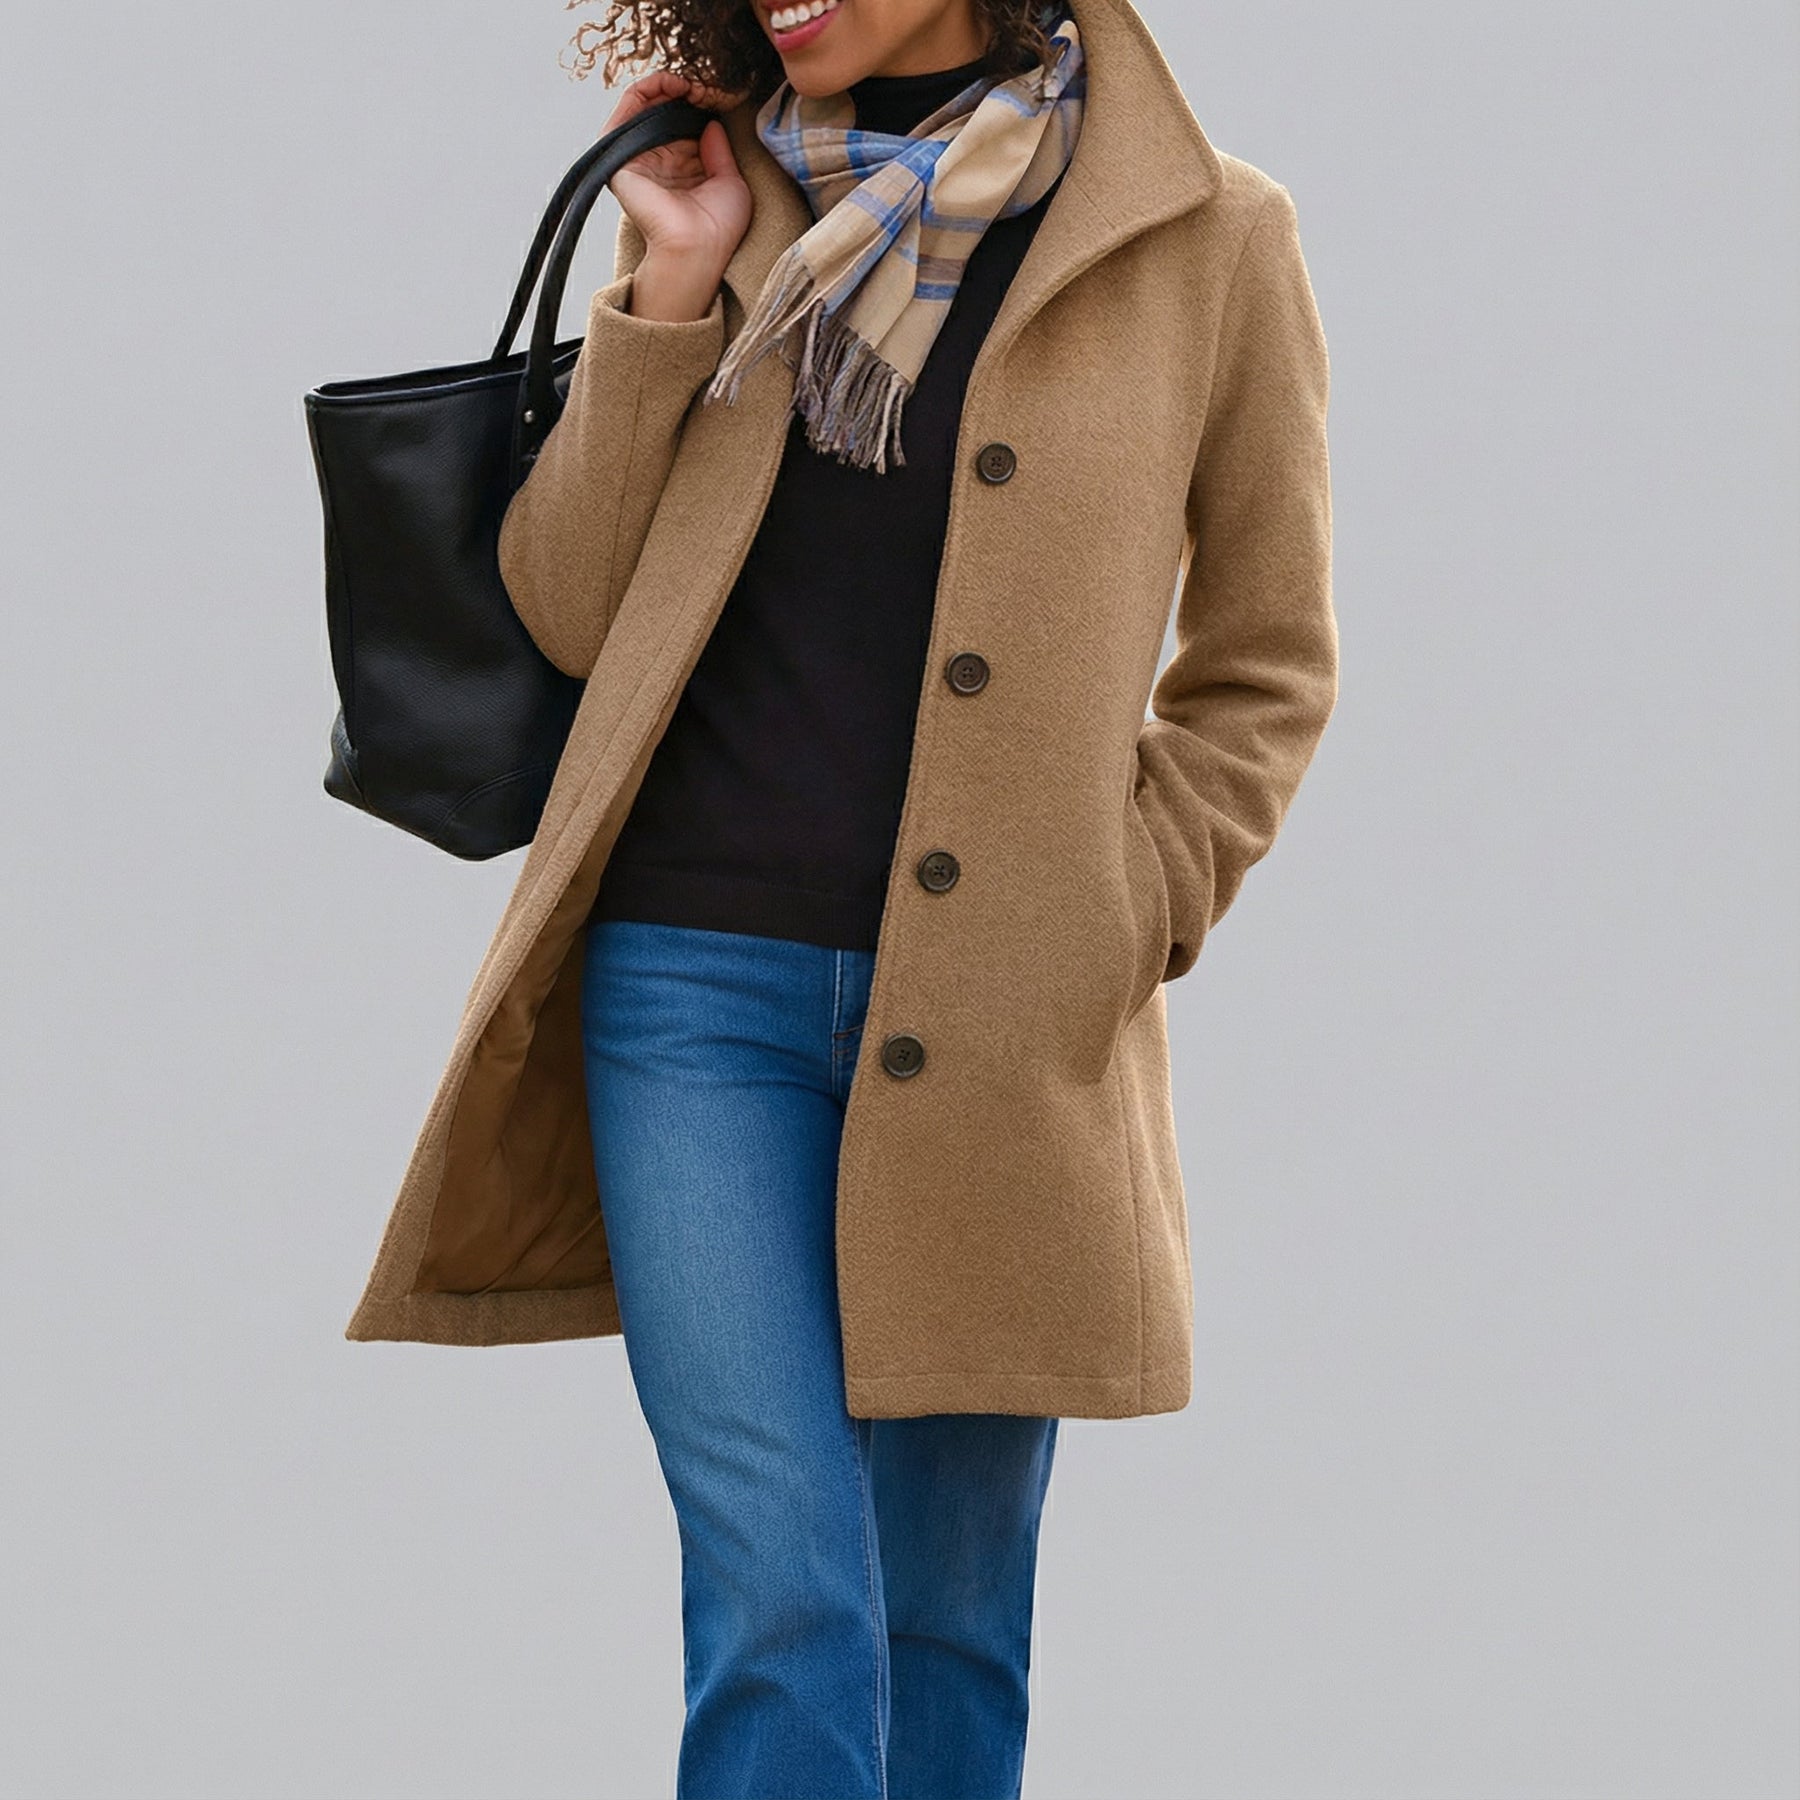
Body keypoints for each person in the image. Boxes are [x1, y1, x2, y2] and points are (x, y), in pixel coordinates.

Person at [344, 2, 1337, 1796]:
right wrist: (668, 286)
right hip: (691, 997)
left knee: (947, 1619)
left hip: (1004, 1028)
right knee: (783, 1597)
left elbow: (1268, 661)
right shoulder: (732, 204)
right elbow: (565, 607)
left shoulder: (1206, 238)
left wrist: (1127, 909)